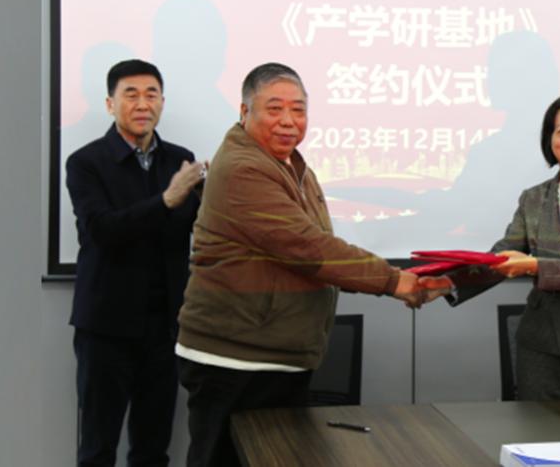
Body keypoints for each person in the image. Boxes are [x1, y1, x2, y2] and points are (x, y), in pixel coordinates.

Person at [175, 62, 426, 467]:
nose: (289, 121)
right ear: (244, 112)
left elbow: (313, 248)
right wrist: (393, 281)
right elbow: (307, 248)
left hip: (272, 353)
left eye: (299, 110)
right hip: (235, 358)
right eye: (274, 109)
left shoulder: (290, 164)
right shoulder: (243, 168)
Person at [427, 94, 560, 400]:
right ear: (549, 139)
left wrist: (534, 265)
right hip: (541, 340)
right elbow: (501, 256)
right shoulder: (533, 197)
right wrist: (447, 283)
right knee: (538, 425)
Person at [66, 59, 205, 467]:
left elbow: (187, 228)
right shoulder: (85, 162)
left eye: (151, 94)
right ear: (110, 104)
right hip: (105, 328)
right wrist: (167, 200)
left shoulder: (180, 160)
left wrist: (204, 197)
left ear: (162, 102)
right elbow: (102, 232)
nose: (143, 104)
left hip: (164, 328)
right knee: (97, 449)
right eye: (131, 95)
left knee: (152, 449)